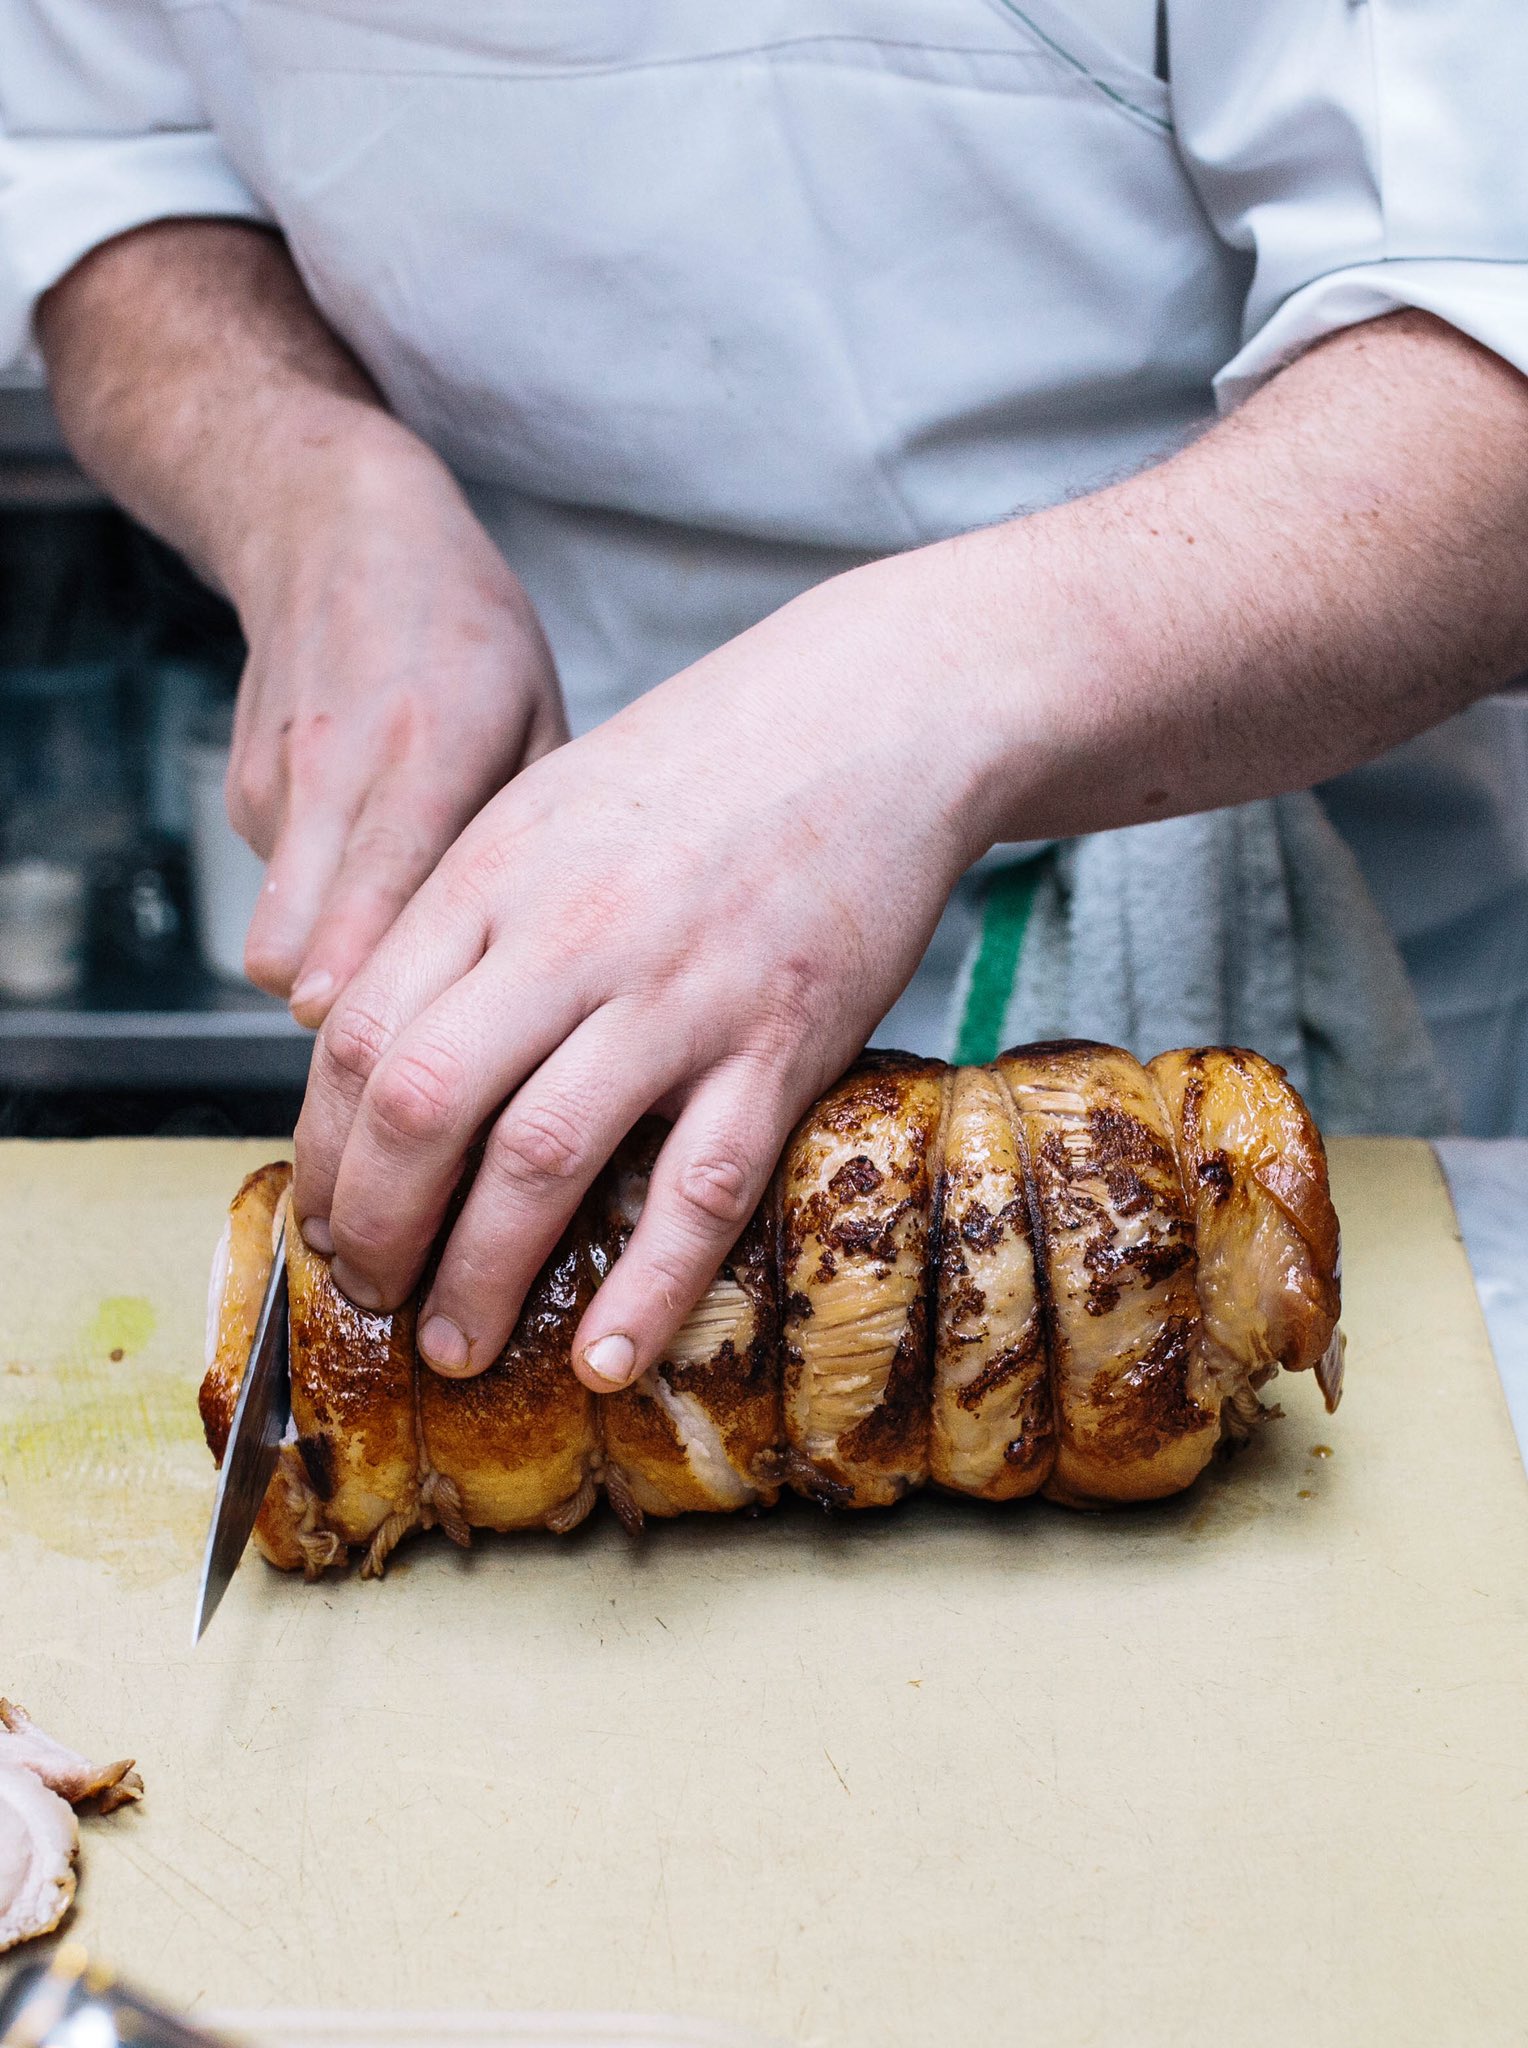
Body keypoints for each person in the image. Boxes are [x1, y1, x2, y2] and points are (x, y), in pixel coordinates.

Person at [3, 2, 1526, 1395]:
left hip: (1229, 936)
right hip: (510, 950)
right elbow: (102, 164)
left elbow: (1488, 364)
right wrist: (306, 481)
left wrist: (911, 696)